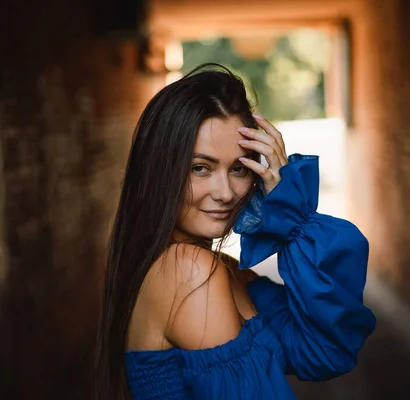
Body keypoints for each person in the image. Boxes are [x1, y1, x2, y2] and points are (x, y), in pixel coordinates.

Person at [94, 63, 376, 400]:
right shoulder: (191, 272)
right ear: (159, 171)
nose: (226, 193)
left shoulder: (224, 269)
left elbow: (324, 350)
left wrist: (291, 212)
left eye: (239, 168)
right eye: (201, 168)